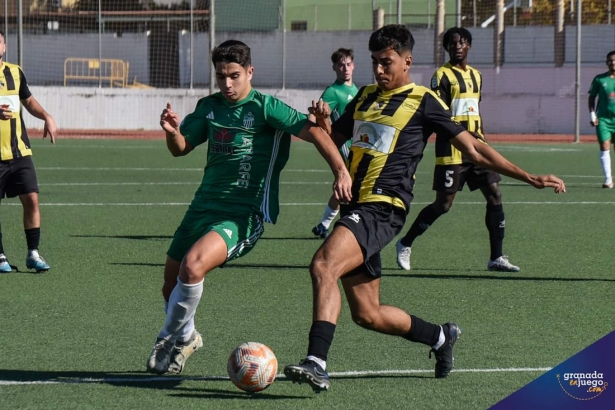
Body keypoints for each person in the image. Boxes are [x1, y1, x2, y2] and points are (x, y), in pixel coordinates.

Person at [283, 24, 565, 393]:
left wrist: (527, 176)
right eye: (375, 63)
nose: (380, 70)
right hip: (357, 206)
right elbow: (334, 141)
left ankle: (316, 362)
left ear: (407, 61)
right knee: (368, 314)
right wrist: (323, 123)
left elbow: (475, 149)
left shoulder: (424, 100)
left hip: (382, 207)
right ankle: (441, 337)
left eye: (387, 63)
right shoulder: (365, 96)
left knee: (323, 265)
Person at [146, 40, 351, 375]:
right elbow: (181, 148)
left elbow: (314, 133)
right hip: (202, 206)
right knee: (170, 287)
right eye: (221, 76)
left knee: (193, 266)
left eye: (234, 75)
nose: (227, 84)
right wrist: (171, 132)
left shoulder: (266, 107)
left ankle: (168, 337)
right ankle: (186, 337)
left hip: (243, 212)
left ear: (249, 72)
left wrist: (341, 171)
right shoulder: (209, 107)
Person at [395, 27, 519, 273]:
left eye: (461, 42)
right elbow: (437, 113)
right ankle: (405, 243)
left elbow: (475, 109)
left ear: (469, 45)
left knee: (495, 195)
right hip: (452, 148)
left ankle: (496, 257)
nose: (457, 46)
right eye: (452, 44)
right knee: (443, 205)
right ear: (447, 48)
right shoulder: (441, 75)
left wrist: (482, 139)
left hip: (478, 147)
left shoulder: (477, 75)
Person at [0, 29, 56, 274]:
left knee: (32, 198)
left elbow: (28, 100)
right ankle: (0, 255)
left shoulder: (15, 71)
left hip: (20, 151)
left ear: (3, 47)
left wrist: (46, 116)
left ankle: (33, 253)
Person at [311, 48, 358, 238]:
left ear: (353, 66)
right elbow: (316, 117)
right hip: (343, 147)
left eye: (348, 64)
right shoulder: (332, 91)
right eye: (340, 64)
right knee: (351, 186)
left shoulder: (355, 90)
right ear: (334, 68)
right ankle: (343, 225)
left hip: (357, 145)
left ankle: (323, 225)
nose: (345, 68)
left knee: (344, 187)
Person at [588, 50, 615, 189]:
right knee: (604, 146)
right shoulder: (599, 79)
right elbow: (592, 98)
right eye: (610, 60)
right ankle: (608, 180)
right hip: (603, 119)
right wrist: (592, 114)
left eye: (614, 60)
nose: (613, 62)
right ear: (607, 63)